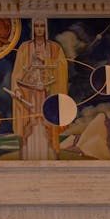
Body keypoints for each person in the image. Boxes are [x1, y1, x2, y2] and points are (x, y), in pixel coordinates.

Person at [11, 18, 67, 159]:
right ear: (33, 28)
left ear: (46, 28)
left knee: (46, 124)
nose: (40, 29)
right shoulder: (24, 48)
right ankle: (28, 157)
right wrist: (17, 90)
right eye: (37, 26)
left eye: (42, 26)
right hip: (29, 96)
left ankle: (50, 158)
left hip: (47, 94)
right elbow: (17, 72)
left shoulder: (55, 48)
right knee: (30, 126)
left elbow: (62, 67)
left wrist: (45, 60)